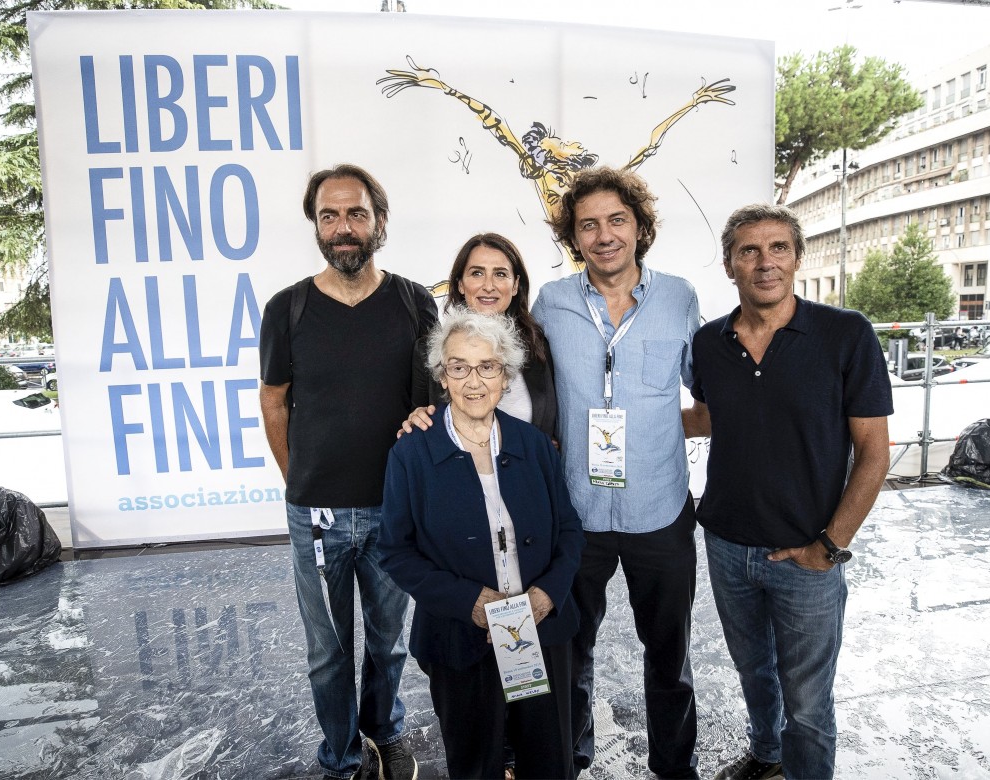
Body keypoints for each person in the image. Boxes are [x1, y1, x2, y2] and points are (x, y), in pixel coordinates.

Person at [682, 204, 892, 780]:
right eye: (749, 250)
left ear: (797, 258)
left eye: (778, 248)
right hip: (726, 544)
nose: (764, 262)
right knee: (753, 672)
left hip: (808, 554)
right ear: (729, 265)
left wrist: (830, 545)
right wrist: (609, 428)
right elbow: (708, 416)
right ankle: (767, 757)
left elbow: (875, 453)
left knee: (808, 702)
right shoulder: (708, 342)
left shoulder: (845, 334)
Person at [258, 163, 437, 780]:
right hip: (317, 515)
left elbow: (427, 406)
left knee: (387, 643)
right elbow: (274, 400)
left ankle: (384, 731)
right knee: (327, 653)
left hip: (395, 511)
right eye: (328, 216)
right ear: (315, 225)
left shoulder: (416, 303)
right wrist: (298, 482)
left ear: (378, 222)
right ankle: (339, 754)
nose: (342, 228)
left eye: (356, 214)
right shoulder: (288, 308)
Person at [531, 166, 702, 779]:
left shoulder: (680, 296)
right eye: (589, 225)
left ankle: (675, 768)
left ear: (640, 226)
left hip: (660, 508)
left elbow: (705, 387)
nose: (604, 235)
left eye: (617, 220)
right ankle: (569, 762)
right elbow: (513, 381)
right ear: (573, 237)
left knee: (670, 655)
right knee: (568, 654)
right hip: (576, 513)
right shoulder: (550, 302)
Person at [379, 307, 585, 780]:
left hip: (540, 629)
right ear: (442, 376)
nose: (474, 380)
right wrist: (471, 603)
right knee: (476, 764)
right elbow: (396, 550)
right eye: (459, 366)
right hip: (460, 637)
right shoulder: (412, 452)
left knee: (549, 760)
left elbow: (570, 530)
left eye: (487, 366)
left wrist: (546, 595)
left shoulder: (533, 445)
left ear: (506, 375)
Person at [408, 232, 557, 440]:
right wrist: (417, 418)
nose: (488, 286)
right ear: (460, 284)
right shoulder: (427, 351)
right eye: (477, 273)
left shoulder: (538, 346)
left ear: (515, 285)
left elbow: (550, 425)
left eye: (500, 274)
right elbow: (421, 422)